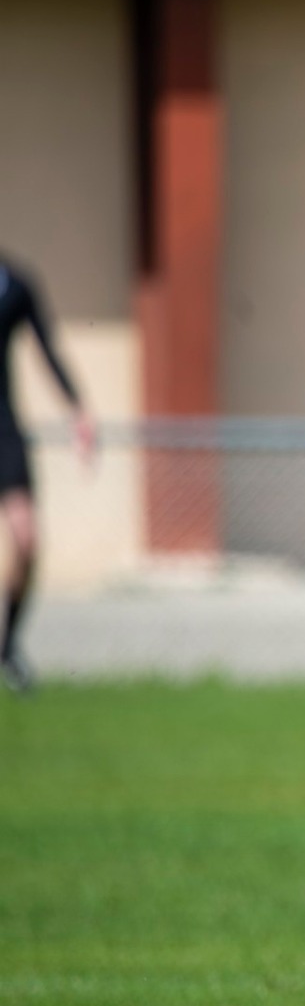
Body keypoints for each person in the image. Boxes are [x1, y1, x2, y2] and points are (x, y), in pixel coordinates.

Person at [0, 256, 96, 692]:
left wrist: (78, 409)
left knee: (27, 540)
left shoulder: (15, 284)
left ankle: (8, 649)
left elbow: (46, 348)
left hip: (3, 431)